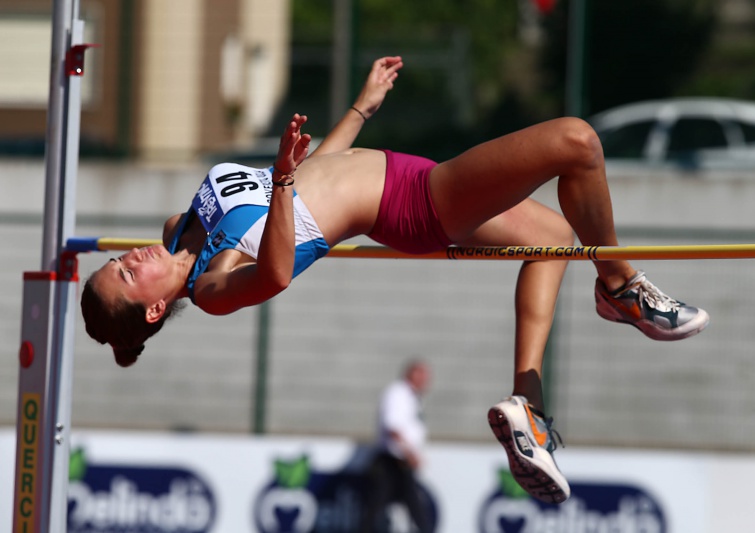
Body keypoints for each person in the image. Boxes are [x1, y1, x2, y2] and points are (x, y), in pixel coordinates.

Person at [81, 55, 709, 504]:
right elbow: (275, 271)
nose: (128, 258)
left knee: (555, 238)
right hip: (414, 203)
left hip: (400, 173)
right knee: (577, 141)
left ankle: (530, 408)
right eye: (127, 275)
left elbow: (312, 178)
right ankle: (620, 285)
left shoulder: (179, 226)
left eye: (116, 262)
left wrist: (361, 108)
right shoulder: (214, 286)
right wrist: (282, 180)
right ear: (154, 310)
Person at [360, 360, 433, 533]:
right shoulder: (398, 393)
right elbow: (393, 428)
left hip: (402, 463)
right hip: (392, 461)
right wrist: (410, 454)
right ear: (411, 375)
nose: (425, 381)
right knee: (377, 505)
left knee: (411, 503)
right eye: (422, 376)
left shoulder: (412, 398)